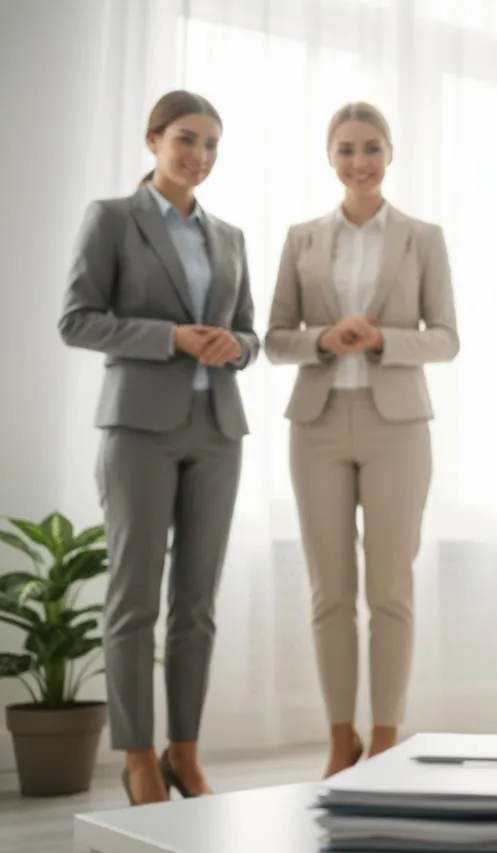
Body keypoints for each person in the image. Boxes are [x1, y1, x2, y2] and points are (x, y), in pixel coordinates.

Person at [58, 90, 258, 805]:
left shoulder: (229, 235)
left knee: (197, 604)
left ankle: (185, 751)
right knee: (134, 599)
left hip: (217, 429)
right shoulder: (112, 218)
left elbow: (251, 335)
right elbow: (77, 320)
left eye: (210, 144)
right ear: (153, 140)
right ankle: (138, 755)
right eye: (185, 139)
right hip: (138, 427)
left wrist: (235, 346)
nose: (198, 155)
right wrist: (169, 337)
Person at [265, 101, 459, 779]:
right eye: (346, 149)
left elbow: (447, 337)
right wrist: (322, 338)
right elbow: (275, 338)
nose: (360, 161)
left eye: (371, 147)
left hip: (397, 424)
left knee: (390, 589)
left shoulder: (422, 237)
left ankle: (384, 738)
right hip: (316, 422)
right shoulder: (301, 238)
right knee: (329, 592)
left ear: (390, 153)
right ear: (330, 157)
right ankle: (339, 738)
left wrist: (383, 339)